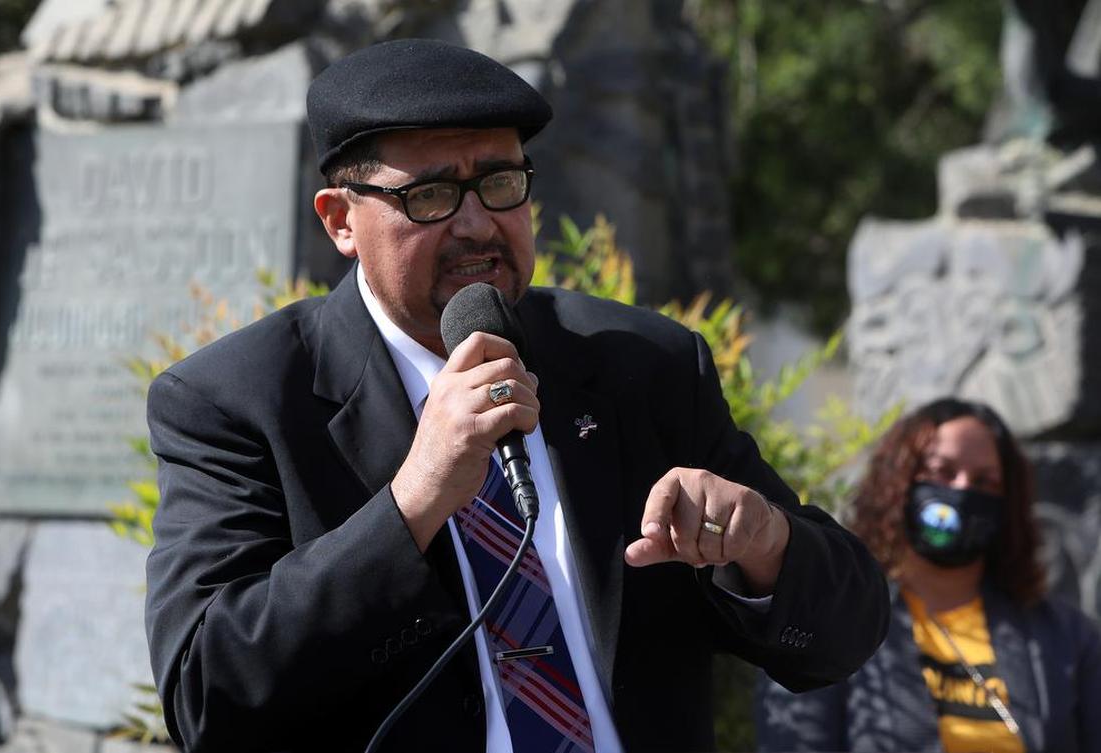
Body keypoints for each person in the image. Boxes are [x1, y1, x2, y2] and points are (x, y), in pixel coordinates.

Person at [143, 38, 890, 753]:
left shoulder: (641, 364)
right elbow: (207, 695)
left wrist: (765, 546)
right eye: (430, 196)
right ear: (342, 221)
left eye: (500, 183)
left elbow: (846, 632)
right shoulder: (236, 400)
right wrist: (413, 502)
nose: (476, 224)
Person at [757, 397, 1101, 753]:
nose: (962, 489)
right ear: (898, 482)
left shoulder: (1066, 637)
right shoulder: (831, 622)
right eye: (942, 471)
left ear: (1007, 504)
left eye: (984, 481)